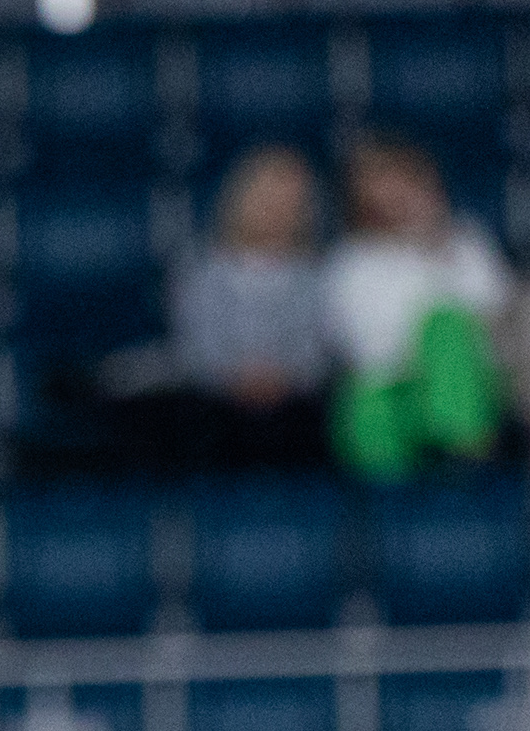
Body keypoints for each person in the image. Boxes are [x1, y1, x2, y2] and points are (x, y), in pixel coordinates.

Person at [322, 137, 511, 482]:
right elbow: (362, 346)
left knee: (445, 324)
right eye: (382, 185)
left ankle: (463, 457)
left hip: (464, 384)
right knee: (369, 400)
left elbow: (492, 310)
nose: (395, 195)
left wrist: (435, 250)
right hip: (389, 387)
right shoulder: (350, 260)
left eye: (403, 182)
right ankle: (385, 500)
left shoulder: (466, 242)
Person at [165, 145, 331, 471]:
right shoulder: (202, 271)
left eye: (291, 204)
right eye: (268, 200)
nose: (278, 212)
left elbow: (316, 347)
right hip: (218, 403)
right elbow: (196, 346)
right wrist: (235, 377)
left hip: (294, 404)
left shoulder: (315, 276)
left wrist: (282, 378)